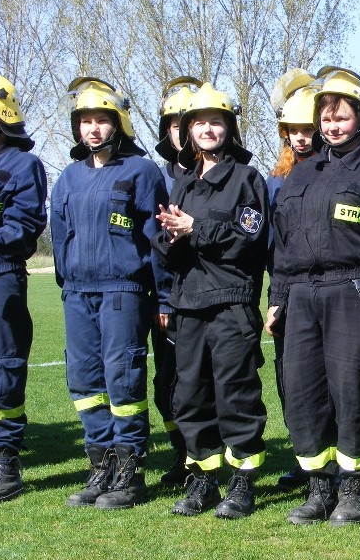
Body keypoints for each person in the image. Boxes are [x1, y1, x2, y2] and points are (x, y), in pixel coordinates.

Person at [267, 67, 360, 527]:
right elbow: (283, 243)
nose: (332, 125)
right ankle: (318, 488)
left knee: (353, 392)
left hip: (354, 289)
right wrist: (277, 296)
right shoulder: (303, 173)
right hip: (301, 294)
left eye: (342, 117)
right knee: (304, 393)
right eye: (326, 118)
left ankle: (351, 490)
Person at [51, 77, 172, 509]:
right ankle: (99, 466)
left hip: (124, 290)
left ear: (118, 124)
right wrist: (67, 283)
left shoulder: (140, 172)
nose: (93, 129)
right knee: (85, 383)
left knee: (123, 380)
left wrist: (163, 297)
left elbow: (156, 239)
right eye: (85, 121)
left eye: (102, 121)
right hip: (77, 295)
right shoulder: (67, 177)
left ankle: (130, 472)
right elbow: (60, 234)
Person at [152, 82, 269, 519]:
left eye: (214, 122)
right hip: (188, 306)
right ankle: (202, 478)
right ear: (185, 130)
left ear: (229, 129)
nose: (206, 129)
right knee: (191, 397)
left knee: (235, 396)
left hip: (231, 306)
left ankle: (242, 483)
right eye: (197, 122)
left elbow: (248, 239)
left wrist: (193, 229)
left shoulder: (246, 178)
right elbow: (168, 247)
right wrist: (168, 234)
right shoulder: (181, 183)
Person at [265, 68, 319, 492]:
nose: (300, 138)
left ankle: (331, 462)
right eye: (292, 132)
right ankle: (305, 459)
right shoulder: (274, 182)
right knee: (290, 379)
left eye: (307, 130)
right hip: (284, 290)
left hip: (328, 289)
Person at [0, 75, 47, 502]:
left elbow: (23, 228)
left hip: (0, 275)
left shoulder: (22, 165)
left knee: (4, 368)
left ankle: (5, 456)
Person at [152, 76, 202, 486]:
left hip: (206, 299)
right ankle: (182, 455)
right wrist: (162, 302)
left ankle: (207, 459)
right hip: (165, 302)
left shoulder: (230, 175)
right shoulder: (159, 180)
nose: (184, 131)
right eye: (175, 123)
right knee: (165, 384)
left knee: (205, 383)